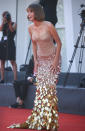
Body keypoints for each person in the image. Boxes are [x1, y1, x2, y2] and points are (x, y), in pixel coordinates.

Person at [8, 3, 62, 131]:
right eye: (28, 12)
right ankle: (42, 120)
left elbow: (59, 43)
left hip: (52, 60)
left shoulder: (49, 25)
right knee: (41, 93)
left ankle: (50, 122)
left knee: (48, 92)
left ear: (37, 12)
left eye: (31, 11)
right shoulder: (30, 28)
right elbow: (34, 45)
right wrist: (36, 62)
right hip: (41, 62)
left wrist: (55, 62)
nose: (28, 14)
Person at [0, 11, 17, 83]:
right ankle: (2, 78)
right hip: (3, 43)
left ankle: (15, 79)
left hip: (10, 43)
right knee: (2, 61)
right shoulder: (3, 24)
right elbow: (0, 29)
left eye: (5, 16)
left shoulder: (14, 23)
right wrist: (3, 22)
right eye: (3, 16)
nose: (4, 17)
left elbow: (12, 30)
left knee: (12, 61)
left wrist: (9, 22)